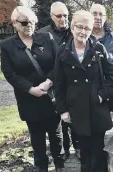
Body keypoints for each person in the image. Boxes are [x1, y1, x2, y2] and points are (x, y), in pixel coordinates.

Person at [54, 10, 113, 172]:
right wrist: (63, 110)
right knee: (83, 146)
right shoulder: (63, 51)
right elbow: (59, 83)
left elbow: (111, 75)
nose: (83, 31)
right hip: (76, 108)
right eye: (79, 27)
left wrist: (102, 95)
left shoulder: (98, 49)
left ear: (91, 30)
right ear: (72, 27)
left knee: (97, 146)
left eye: (87, 28)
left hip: (97, 107)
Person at [0, 6, 66, 172]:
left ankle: (59, 163)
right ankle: (42, 166)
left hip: (50, 95)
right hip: (29, 99)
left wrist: (48, 82)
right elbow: (9, 73)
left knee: (56, 133)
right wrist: (30, 89)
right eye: (24, 22)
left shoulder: (46, 38)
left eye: (32, 21)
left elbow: (58, 63)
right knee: (36, 135)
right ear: (15, 24)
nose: (29, 25)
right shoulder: (7, 46)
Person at [38, 1, 79, 161]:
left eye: (66, 15)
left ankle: (78, 147)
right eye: (59, 16)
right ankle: (65, 149)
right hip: (54, 83)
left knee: (75, 117)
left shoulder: (75, 31)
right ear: (51, 17)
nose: (63, 19)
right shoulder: (42, 34)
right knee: (60, 119)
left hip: (74, 82)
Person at [89, 4, 113, 80]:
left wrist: (111, 79)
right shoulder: (83, 38)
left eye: (101, 14)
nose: (98, 17)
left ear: (105, 18)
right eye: (94, 14)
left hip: (108, 87)